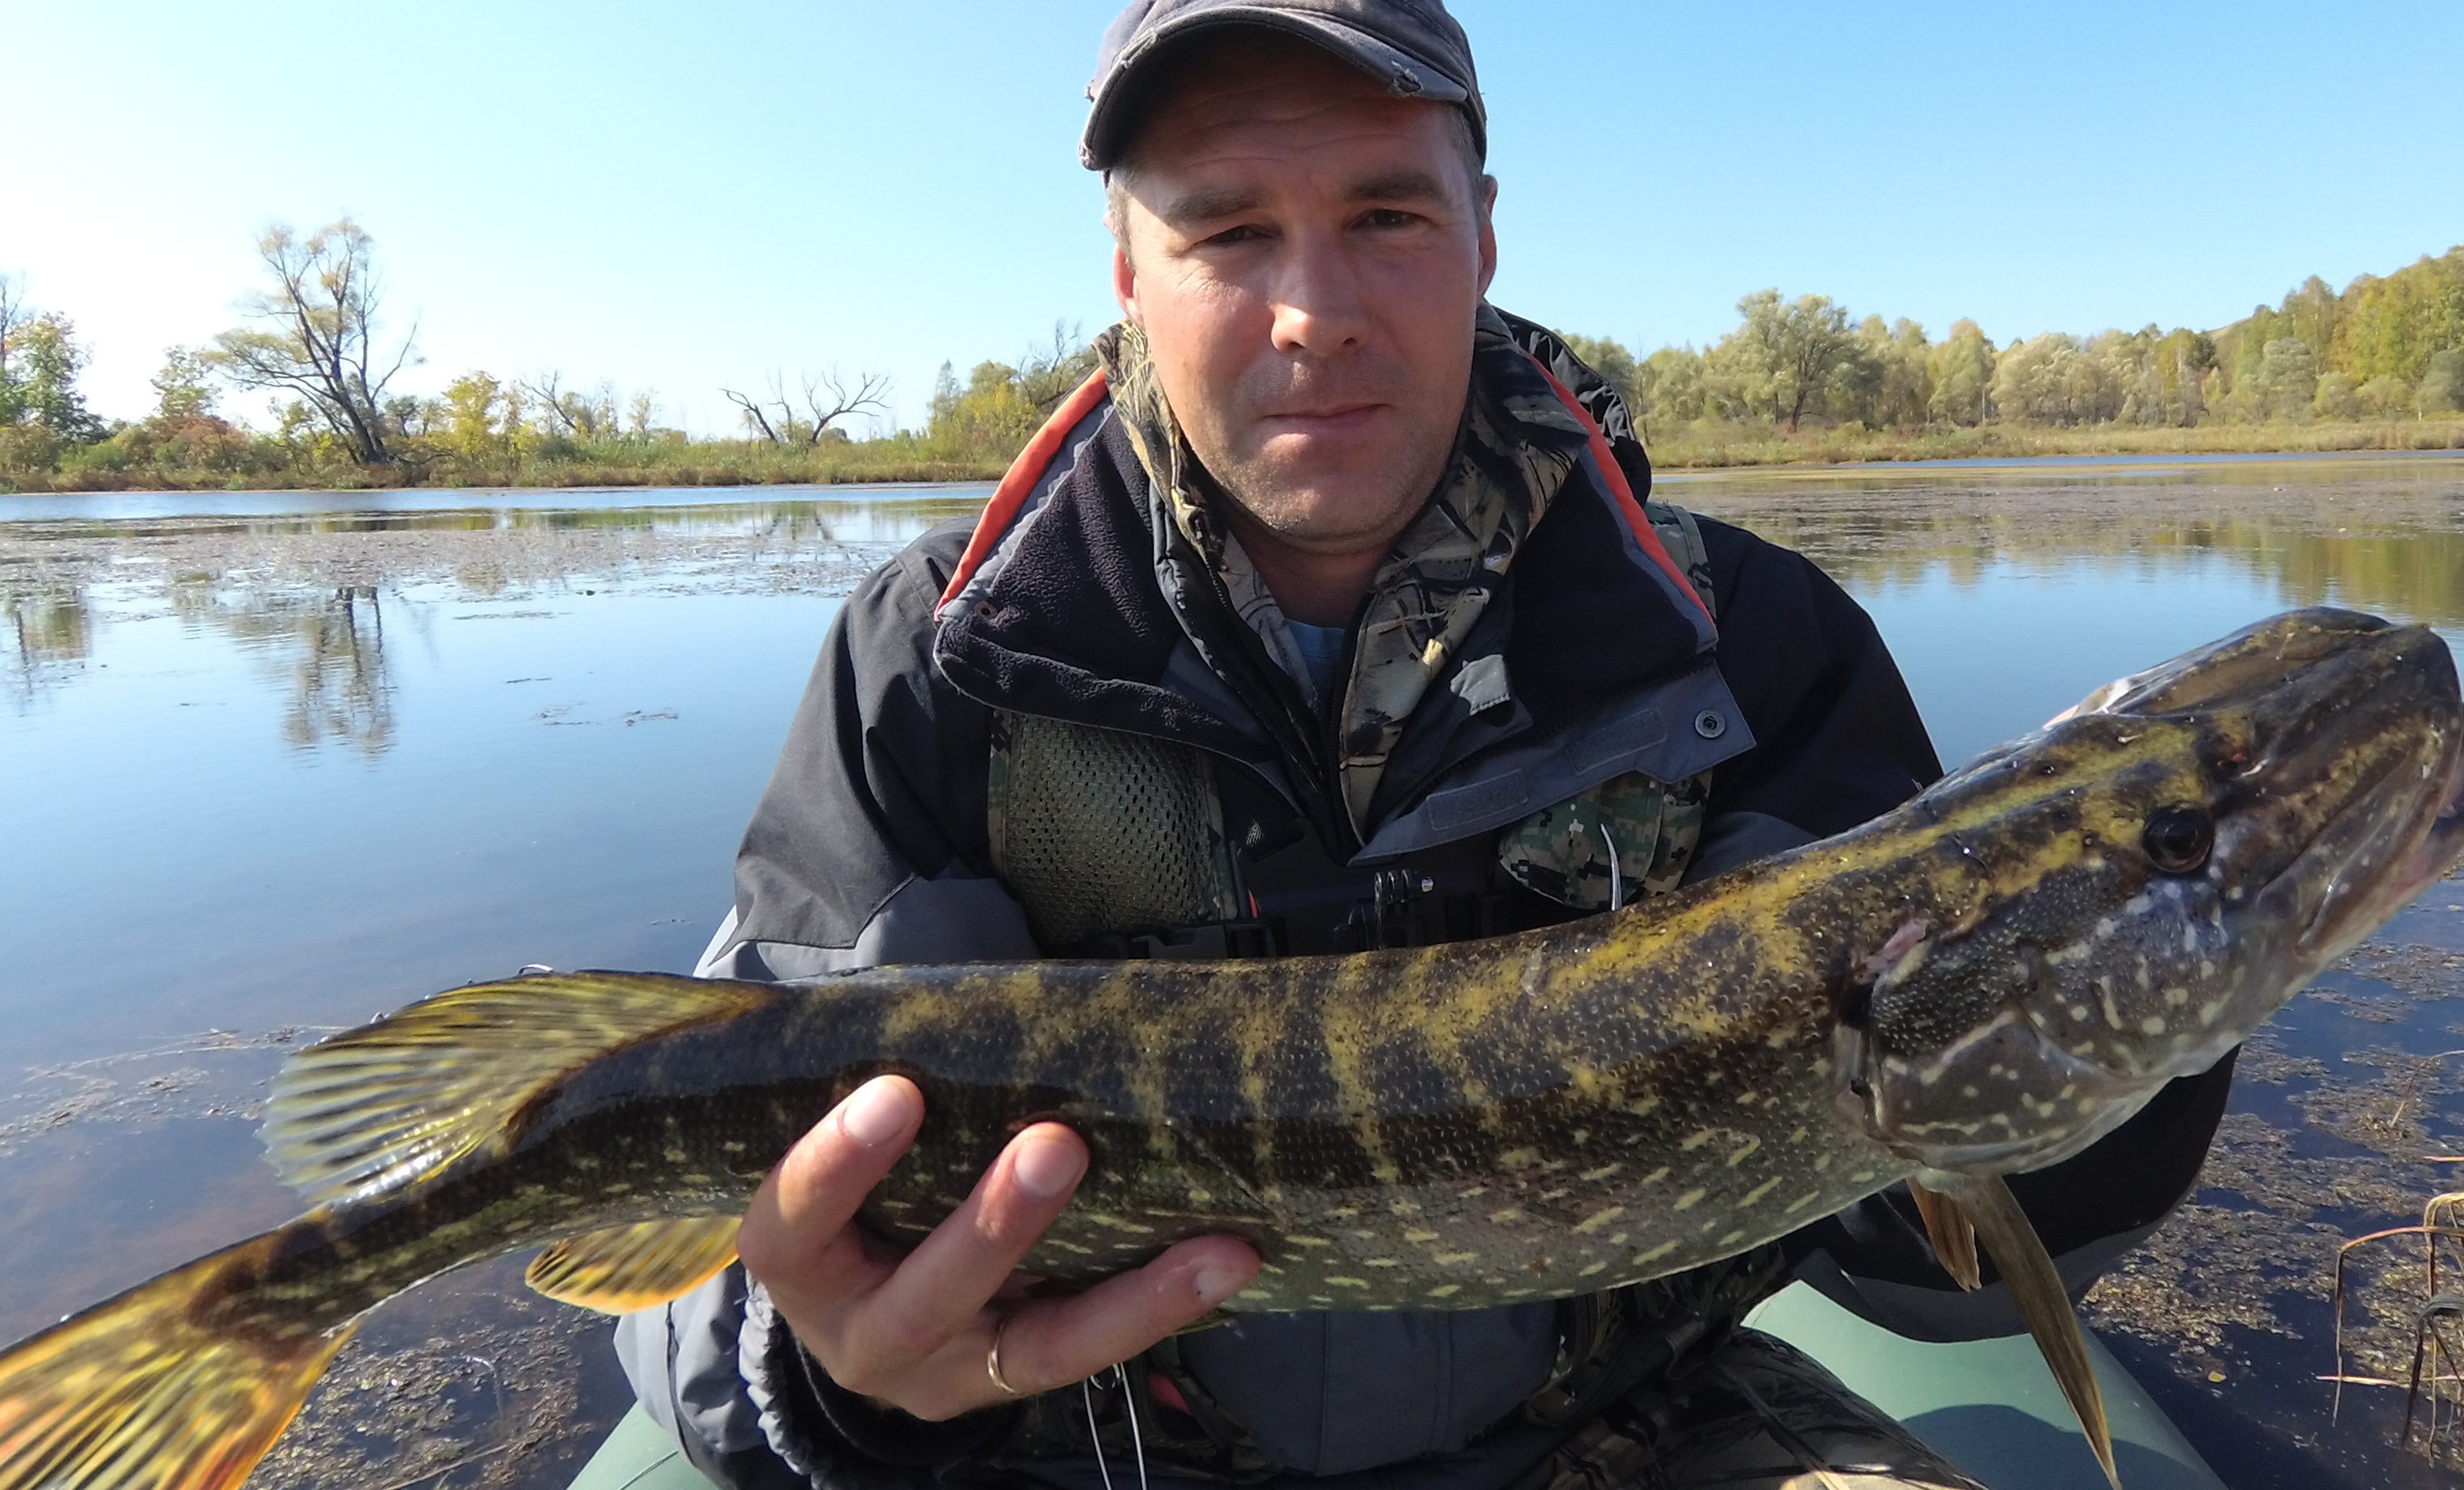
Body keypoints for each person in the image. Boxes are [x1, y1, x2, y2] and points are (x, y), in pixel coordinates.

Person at [615, 3, 2235, 1486]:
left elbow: (1912, 1250)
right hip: (1079, 1456)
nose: (1314, 313)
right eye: (1229, 228)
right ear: (1128, 272)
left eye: (1386, 214)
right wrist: (830, 1374)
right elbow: (654, 1224)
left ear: (1479, 233)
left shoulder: (1749, 641)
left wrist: (2146, 1007)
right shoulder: (933, 667)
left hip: (1621, 1435)